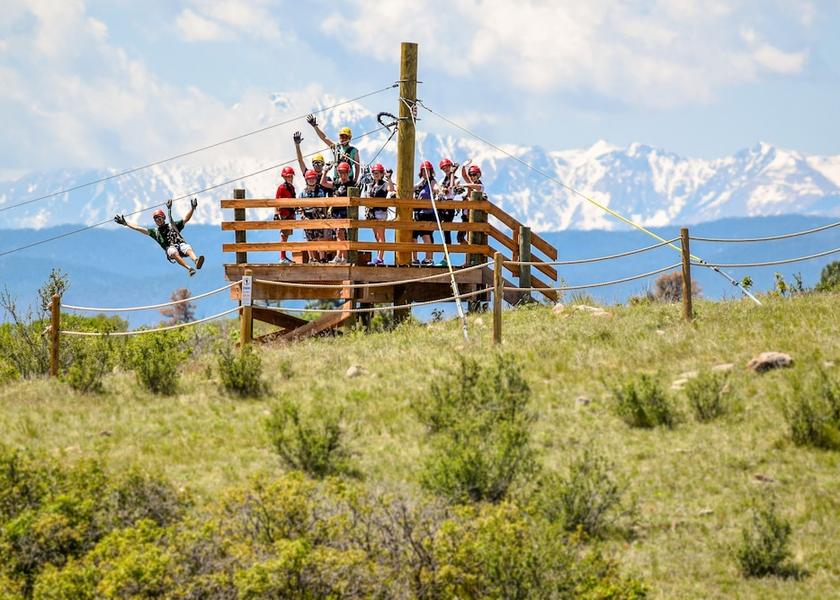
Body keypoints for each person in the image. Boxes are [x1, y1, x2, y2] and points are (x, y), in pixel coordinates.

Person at [114, 198, 204, 276]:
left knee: (187, 247)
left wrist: (192, 208)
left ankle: (196, 260)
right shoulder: (155, 232)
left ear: (164, 218)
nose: (158, 221)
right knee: (172, 251)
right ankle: (189, 268)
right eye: (156, 219)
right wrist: (126, 223)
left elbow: (185, 219)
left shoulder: (173, 225)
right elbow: (139, 228)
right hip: (171, 249)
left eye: (160, 218)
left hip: (180, 245)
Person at [305, 114, 362, 182]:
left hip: (349, 179)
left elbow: (357, 167)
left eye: (345, 137)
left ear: (349, 138)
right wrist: (315, 126)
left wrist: (355, 180)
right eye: (341, 137)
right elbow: (324, 138)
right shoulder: (336, 148)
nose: (343, 139)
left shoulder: (354, 151)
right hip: (337, 179)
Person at [320, 162, 356, 264]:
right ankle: (341, 257)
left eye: (345, 172)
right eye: (340, 172)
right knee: (339, 235)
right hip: (336, 212)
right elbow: (323, 183)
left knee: (340, 234)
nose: (343, 175)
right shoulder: (336, 183)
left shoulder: (351, 184)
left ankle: (340, 256)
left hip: (345, 212)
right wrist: (325, 171)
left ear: (348, 172)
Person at [366, 163, 394, 266]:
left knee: (380, 235)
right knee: (377, 236)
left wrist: (389, 178)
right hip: (372, 213)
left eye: (378, 173)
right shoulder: (372, 185)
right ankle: (378, 257)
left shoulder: (384, 184)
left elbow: (391, 189)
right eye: (374, 173)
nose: (376, 175)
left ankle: (380, 258)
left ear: (382, 174)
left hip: (381, 212)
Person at [413, 160, 438, 266]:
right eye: (423, 171)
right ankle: (414, 258)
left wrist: (439, 192)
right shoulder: (421, 183)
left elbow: (436, 188)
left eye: (427, 170)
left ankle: (429, 259)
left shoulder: (432, 181)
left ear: (431, 171)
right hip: (419, 213)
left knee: (426, 235)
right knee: (413, 235)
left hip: (428, 213)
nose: (425, 173)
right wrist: (420, 183)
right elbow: (412, 189)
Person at [299, 169, 328, 263]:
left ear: (316, 179)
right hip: (307, 217)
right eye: (309, 179)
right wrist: (303, 216)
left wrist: (325, 215)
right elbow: (300, 207)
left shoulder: (320, 192)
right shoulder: (303, 193)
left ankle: (322, 258)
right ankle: (311, 258)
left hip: (318, 217)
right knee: (309, 238)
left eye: (313, 179)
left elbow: (324, 205)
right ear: (306, 180)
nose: (311, 180)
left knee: (320, 237)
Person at [292, 131, 333, 197]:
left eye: (319, 162)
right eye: (315, 163)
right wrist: (297, 145)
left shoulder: (327, 179)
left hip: (322, 204)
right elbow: (300, 161)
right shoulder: (308, 174)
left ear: (323, 164)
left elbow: (331, 194)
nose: (317, 165)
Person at [437, 158, 461, 251]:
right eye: (444, 168)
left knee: (447, 231)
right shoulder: (442, 181)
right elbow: (442, 191)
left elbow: (451, 189)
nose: (446, 169)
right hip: (441, 206)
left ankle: (446, 257)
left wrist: (452, 174)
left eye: (447, 167)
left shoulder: (456, 180)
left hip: (450, 206)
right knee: (435, 227)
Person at [458, 162, 485, 244]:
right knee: (460, 237)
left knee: (473, 236)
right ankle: (469, 249)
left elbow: (473, 186)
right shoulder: (471, 183)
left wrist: (462, 185)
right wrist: (463, 166)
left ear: (478, 175)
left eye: (474, 175)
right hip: (466, 214)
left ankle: (471, 250)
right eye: (471, 175)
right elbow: (464, 175)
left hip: (474, 215)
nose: (472, 177)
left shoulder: (480, 186)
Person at [275, 166, 297, 265]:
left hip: (290, 214)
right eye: (288, 176)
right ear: (284, 177)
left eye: (291, 176)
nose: (290, 178)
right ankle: (282, 257)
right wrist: (276, 213)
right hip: (284, 214)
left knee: (286, 235)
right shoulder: (281, 188)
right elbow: (277, 202)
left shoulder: (292, 188)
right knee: (284, 235)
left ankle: (284, 256)